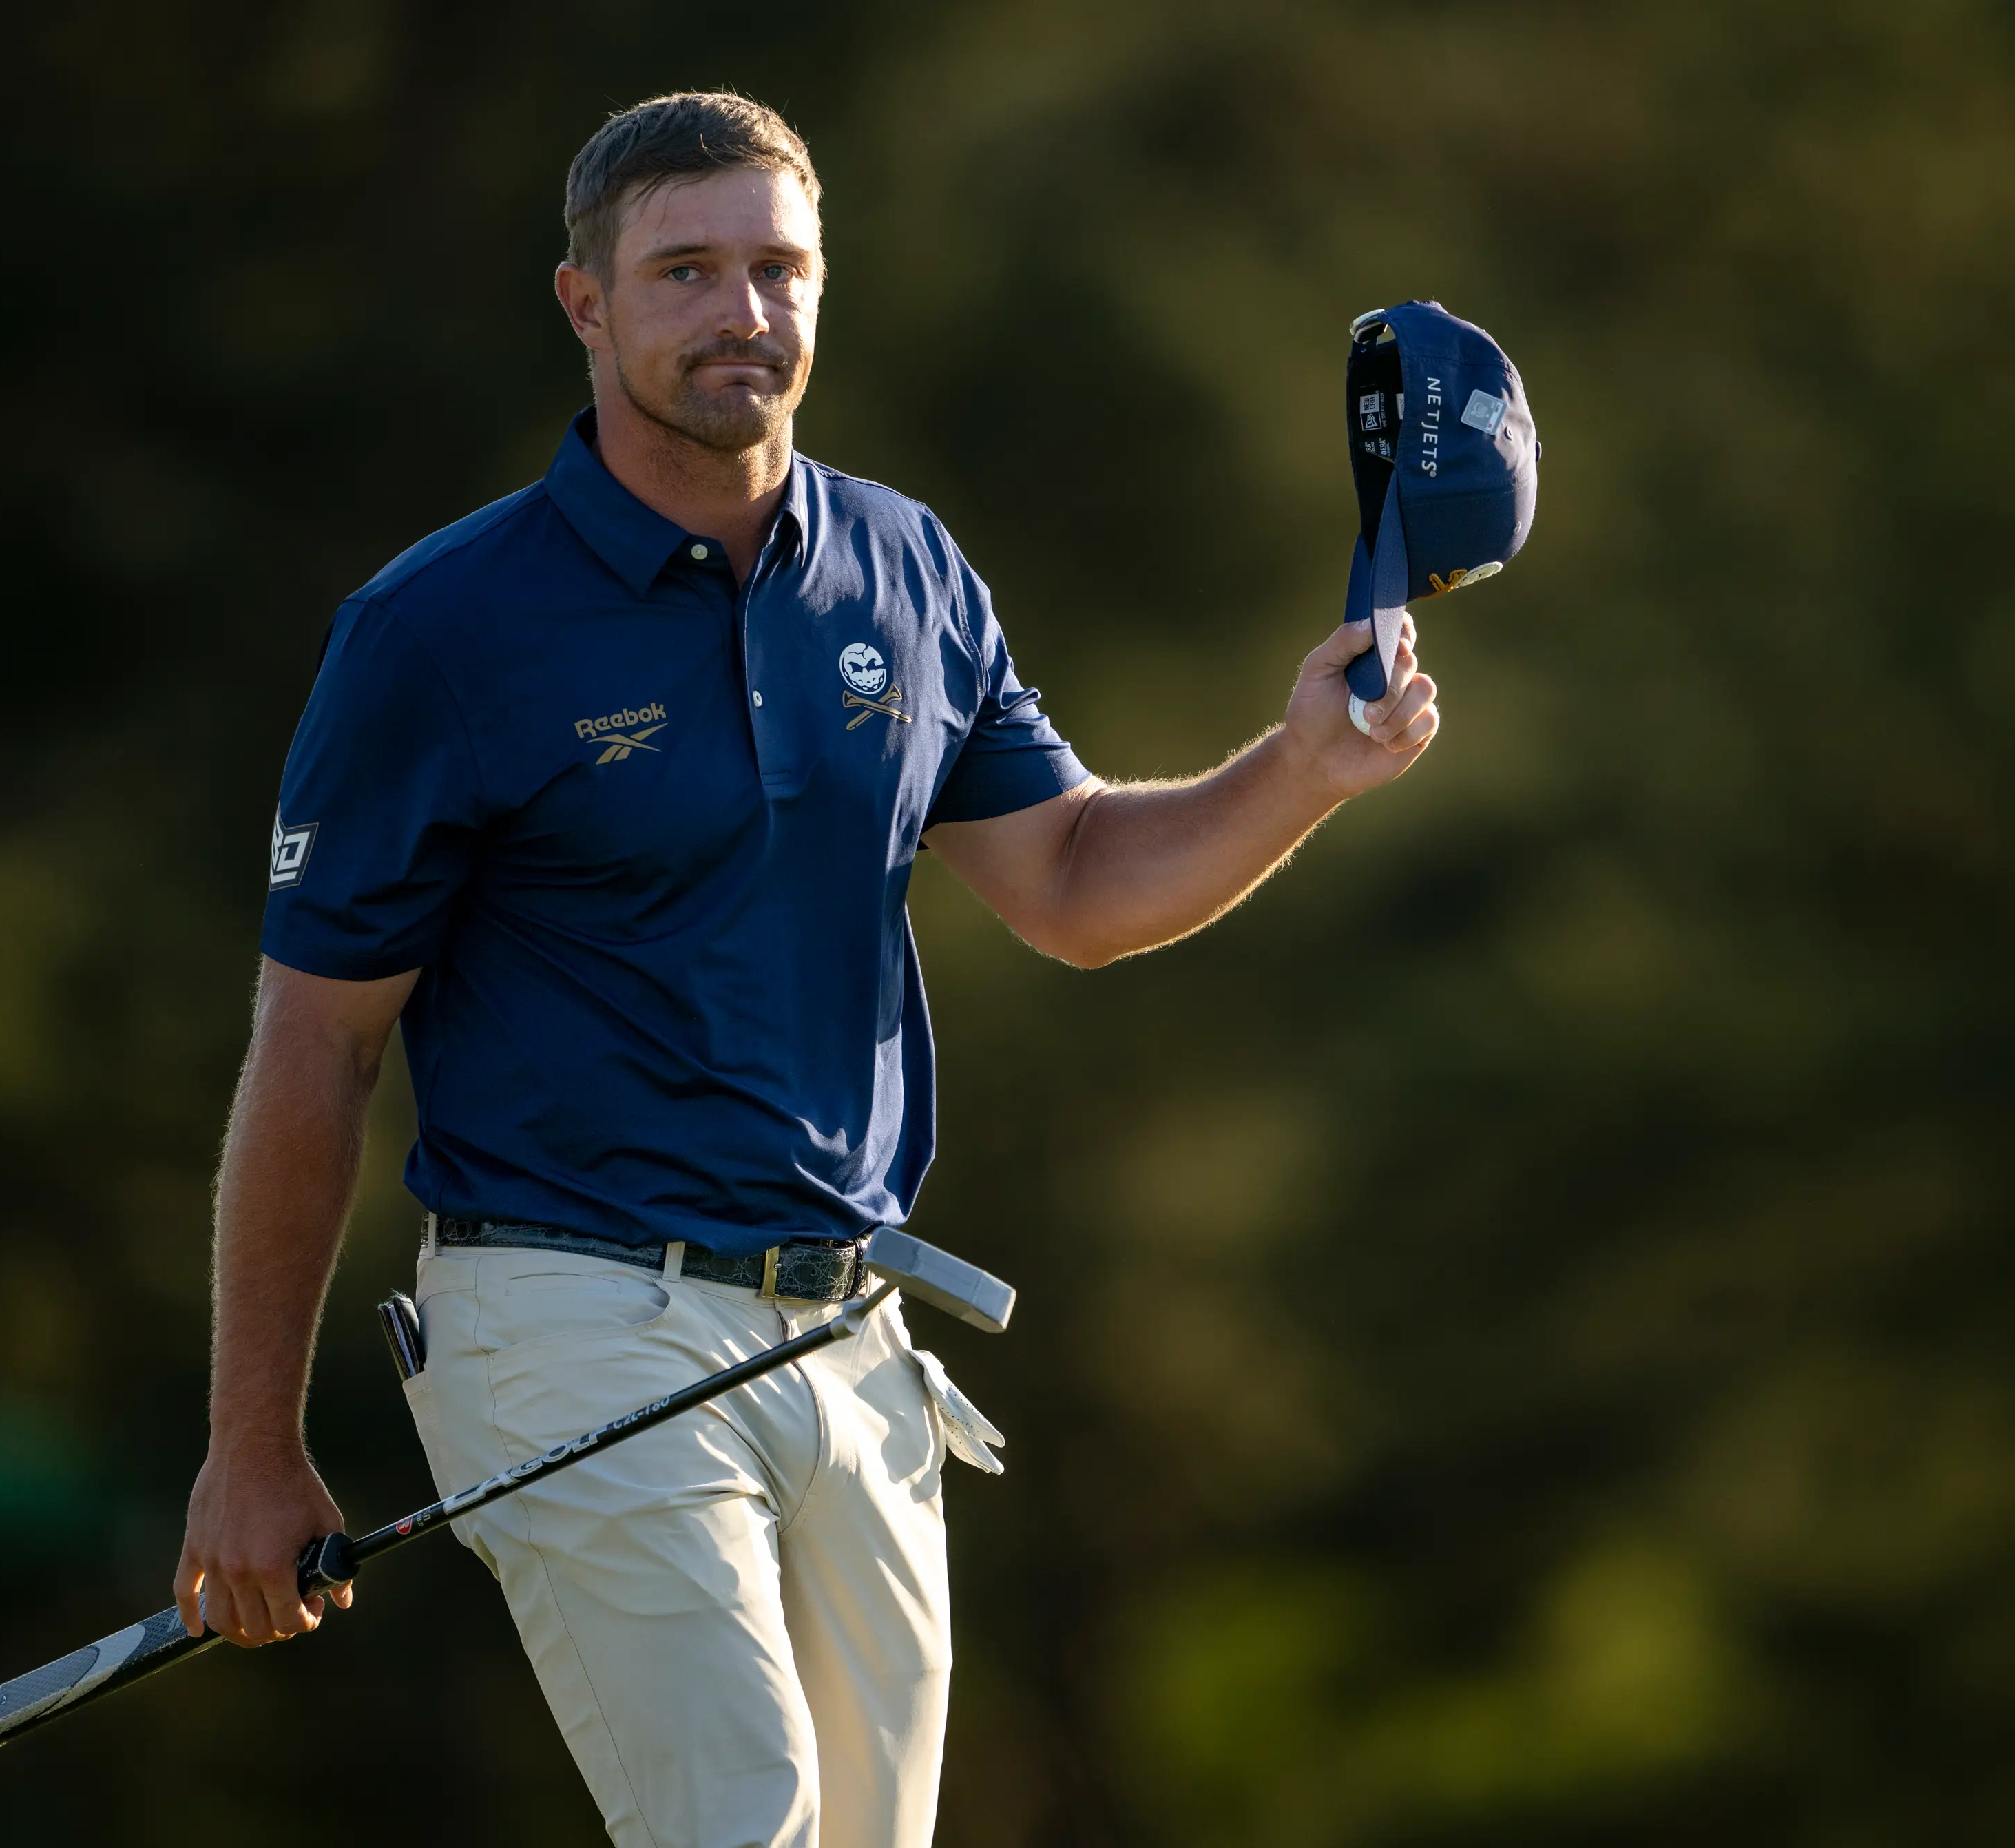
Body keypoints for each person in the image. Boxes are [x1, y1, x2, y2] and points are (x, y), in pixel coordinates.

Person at [174, 90, 1437, 1848]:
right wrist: (253, 1444)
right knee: (737, 1824)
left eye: (778, 270)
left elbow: (1071, 881)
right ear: (584, 305)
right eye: (684, 271)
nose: (741, 314)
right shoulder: (440, 632)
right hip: (567, 1312)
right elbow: (314, 1051)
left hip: (851, 1332)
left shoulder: (904, 569)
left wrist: (1301, 766)